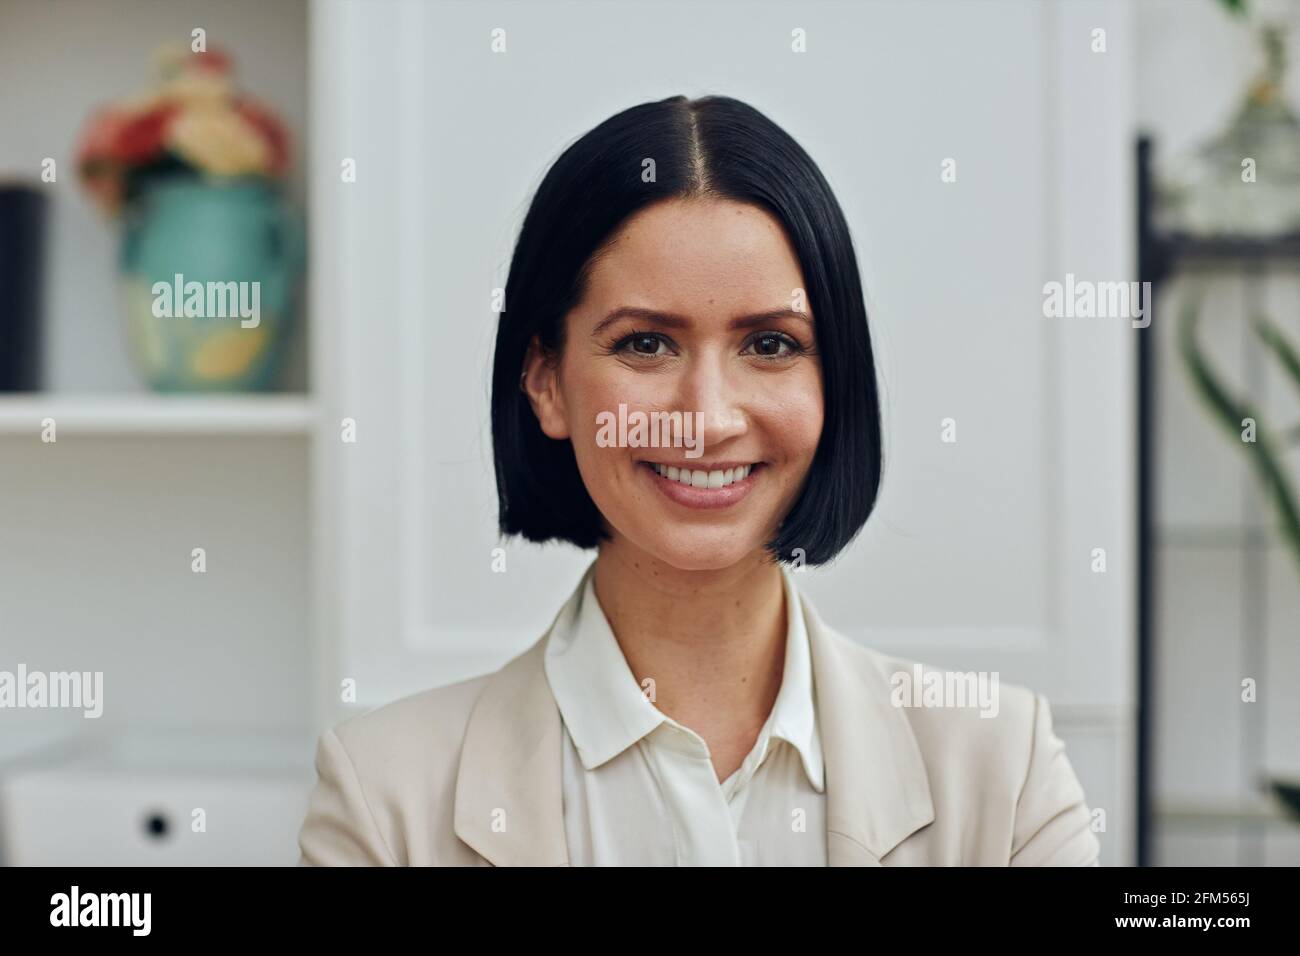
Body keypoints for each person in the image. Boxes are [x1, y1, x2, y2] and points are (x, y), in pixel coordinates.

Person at [297, 94, 1101, 866]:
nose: (706, 419)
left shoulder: (1004, 770)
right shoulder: (386, 800)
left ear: (835, 380)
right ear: (546, 381)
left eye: (772, 345)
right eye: (646, 345)